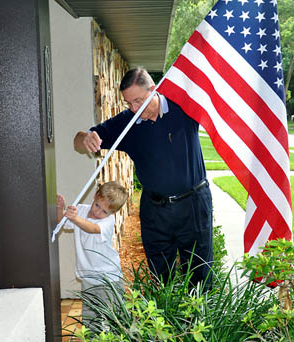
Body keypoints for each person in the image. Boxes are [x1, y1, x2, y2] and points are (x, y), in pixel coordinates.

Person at [74, 67, 213, 288]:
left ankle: (197, 321)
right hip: (155, 211)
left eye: (139, 101)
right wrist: (86, 138)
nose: (135, 109)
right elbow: (79, 139)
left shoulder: (183, 107)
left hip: (193, 205)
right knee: (160, 279)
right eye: (129, 104)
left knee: (199, 276)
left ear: (154, 89)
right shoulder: (128, 122)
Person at [56, 181, 128, 317]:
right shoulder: (81, 210)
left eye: (104, 211)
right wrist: (60, 209)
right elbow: (61, 223)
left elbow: (93, 228)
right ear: (95, 196)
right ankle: (92, 338)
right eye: (97, 205)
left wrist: (75, 218)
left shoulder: (108, 221)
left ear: (113, 212)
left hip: (108, 278)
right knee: (90, 316)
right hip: (88, 276)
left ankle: (119, 338)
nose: (97, 212)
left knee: (116, 316)